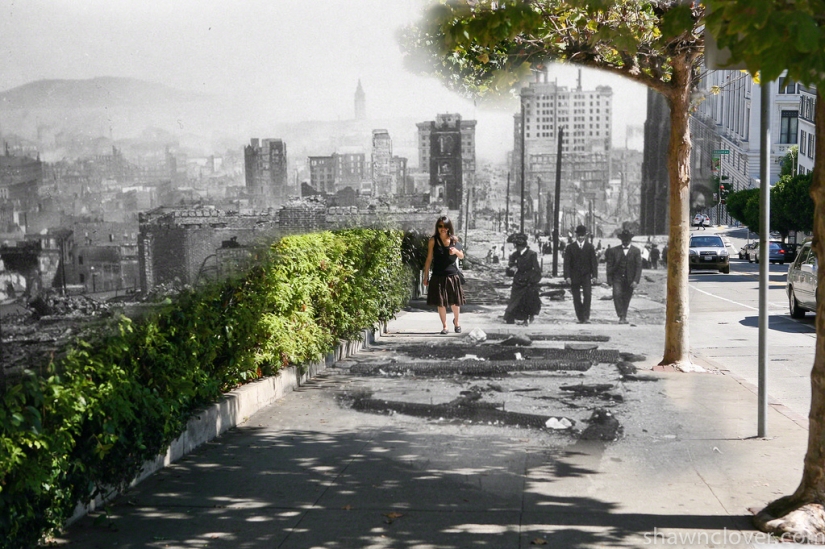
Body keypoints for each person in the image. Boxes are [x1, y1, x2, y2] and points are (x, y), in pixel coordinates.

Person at [422, 216, 465, 334]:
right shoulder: (433, 240)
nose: (443, 228)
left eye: (445, 226)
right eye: (440, 226)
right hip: (438, 275)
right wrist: (426, 276)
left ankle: (456, 322)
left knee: (455, 303)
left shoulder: (454, 240)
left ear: (449, 227)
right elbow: (429, 259)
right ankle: (445, 326)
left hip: (452, 275)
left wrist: (455, 251)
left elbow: (462, 256)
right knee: (441, 303)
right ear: (437, 227)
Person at [503, 232, 542, 325]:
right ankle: (511, 317)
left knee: (527, 300)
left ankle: (527, 317)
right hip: (518, 280)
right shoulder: (514, 255)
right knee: (514, 299)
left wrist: (532, 280)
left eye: (517, 246)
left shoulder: (531, 254)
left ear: (522, 246)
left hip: (528, 280)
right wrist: (511, 269)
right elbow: (511, 265)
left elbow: (537, 269)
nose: (516, 248)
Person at [605, 228, 643, 324]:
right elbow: (609, 266)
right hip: (617, 278)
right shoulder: (614, 251)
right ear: (621, 240)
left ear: (630, 240)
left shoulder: (636, 251)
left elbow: (639, 267)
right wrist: (609, 279)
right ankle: (621, 315)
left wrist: (636, 280)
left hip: (630, 279)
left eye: (627, 239)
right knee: (616, 295)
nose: (625, 241)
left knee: (626, 297)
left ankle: (623, 316)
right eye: (624, 240)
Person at [563, 225, 598, 324]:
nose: (580, 237)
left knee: (587, 295)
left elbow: (594, 263)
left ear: (585, 236)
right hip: (574, 277)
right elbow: (567, 264)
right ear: (576, 235)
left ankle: (586, 316)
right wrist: (567, 276)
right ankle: (580, 317)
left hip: (586, 276)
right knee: (576, 297)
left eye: (582, 235)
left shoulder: (590, 247)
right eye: (579, 235)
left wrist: (595, 276)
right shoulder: (570, 248)